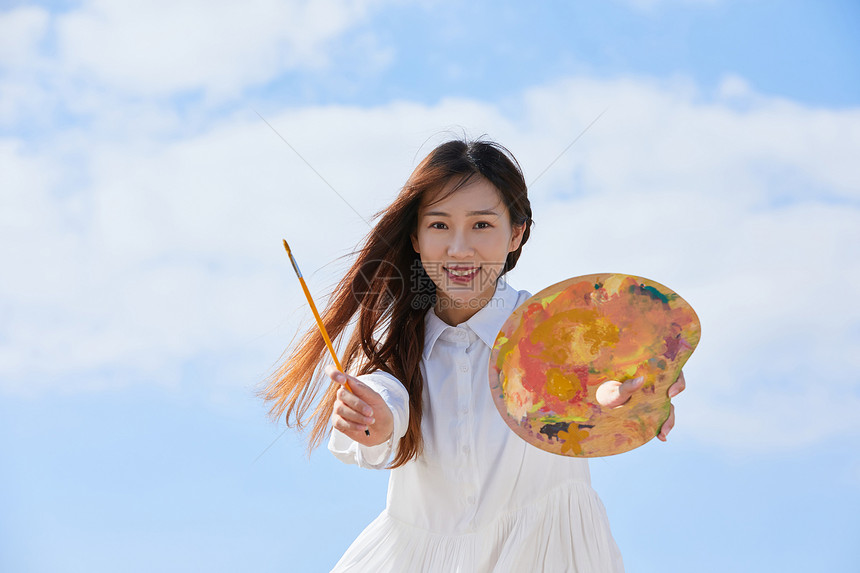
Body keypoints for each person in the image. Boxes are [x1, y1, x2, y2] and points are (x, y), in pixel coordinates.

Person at [262, 138, 685, 572]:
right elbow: (383, 398)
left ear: (516, 232)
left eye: (482, 225)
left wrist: (629, 399)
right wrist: (376, 422)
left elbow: (604, 382)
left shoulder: (559, 327)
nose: (459, 249)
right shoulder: (396, 350)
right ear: (415, 236)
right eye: (440, 225)